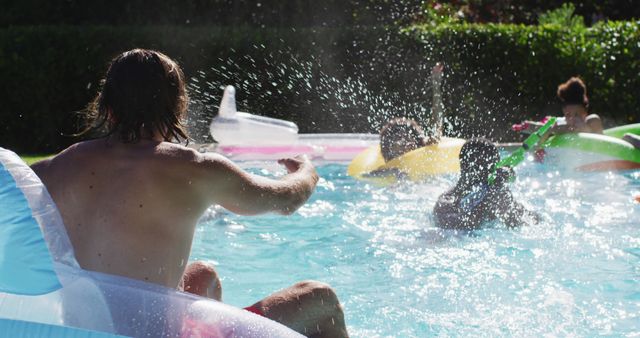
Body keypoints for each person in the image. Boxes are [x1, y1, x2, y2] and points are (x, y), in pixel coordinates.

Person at [31, 49, 348, 338]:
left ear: (108, 109)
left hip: (79, 333)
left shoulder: (52, 169)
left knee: (202, 275)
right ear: (177, 108)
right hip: (156, 335)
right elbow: (287, 199)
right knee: (321, 299)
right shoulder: (197, 170)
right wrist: (307, 170)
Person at [433, 138, 539, 229]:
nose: (490, 174)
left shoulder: (496, 192)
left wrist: (506, 201)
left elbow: (532, 220)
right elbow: (455, 226)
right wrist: (486, 202)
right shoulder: (447, 201)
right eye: (486, 168)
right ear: (465, 167)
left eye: (493, 168)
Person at [378, 63, 445, 163]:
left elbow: (437, 125)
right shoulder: (382, 171)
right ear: (388, 147)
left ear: (416, 142)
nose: (402, 143)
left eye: (406, 137)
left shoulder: (422, 151)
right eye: (397, 138)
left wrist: (436, 85)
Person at [521, 77, 603, 135]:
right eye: (568, 115)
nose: (572, 119)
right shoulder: (560, 123)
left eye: (577, 114)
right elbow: (553, 127)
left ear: (585, 112)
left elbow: (603, 145)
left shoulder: (592, 121)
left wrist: (550, 129)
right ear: (564, 113)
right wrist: (528, 126)